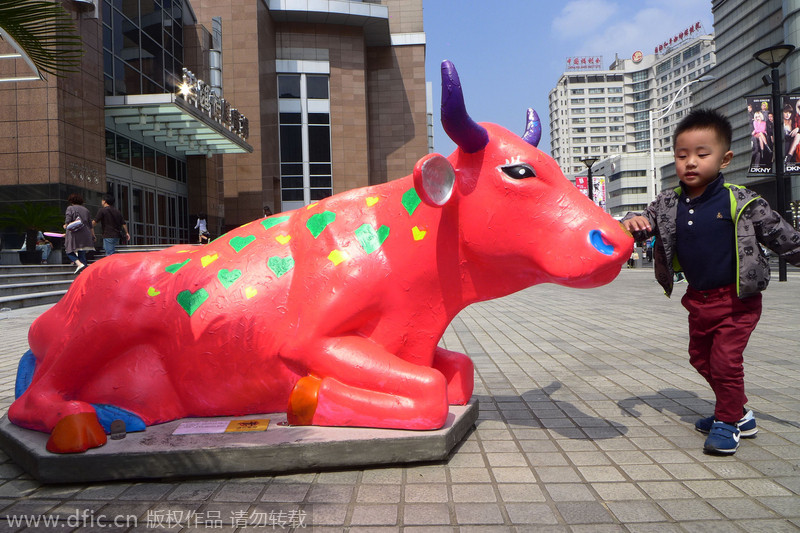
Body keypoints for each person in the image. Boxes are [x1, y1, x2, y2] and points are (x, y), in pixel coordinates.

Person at [622, 109, 800, 455]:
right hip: (698, 299)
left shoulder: (743, 201)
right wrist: (633, 220)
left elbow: (787, 239)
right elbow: (641, 219)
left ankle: (728, 423)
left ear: (724, 159)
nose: (690, 162)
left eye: (702, 155)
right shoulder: (668, 203)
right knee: (699, 358)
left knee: (725, 362)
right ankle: (738, 412)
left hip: (737, 300)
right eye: (682, 155)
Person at [64, 193, 95, 274]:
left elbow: (68, 220)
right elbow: (90, 224)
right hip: (86, 234)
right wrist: (93, 235)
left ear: (71, 201)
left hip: (75, 234)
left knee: (69, 251)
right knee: (82, 253)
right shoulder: (86, 210)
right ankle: (85, 274)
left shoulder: (70, 208)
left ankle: (79, 264)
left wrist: (65, 226)